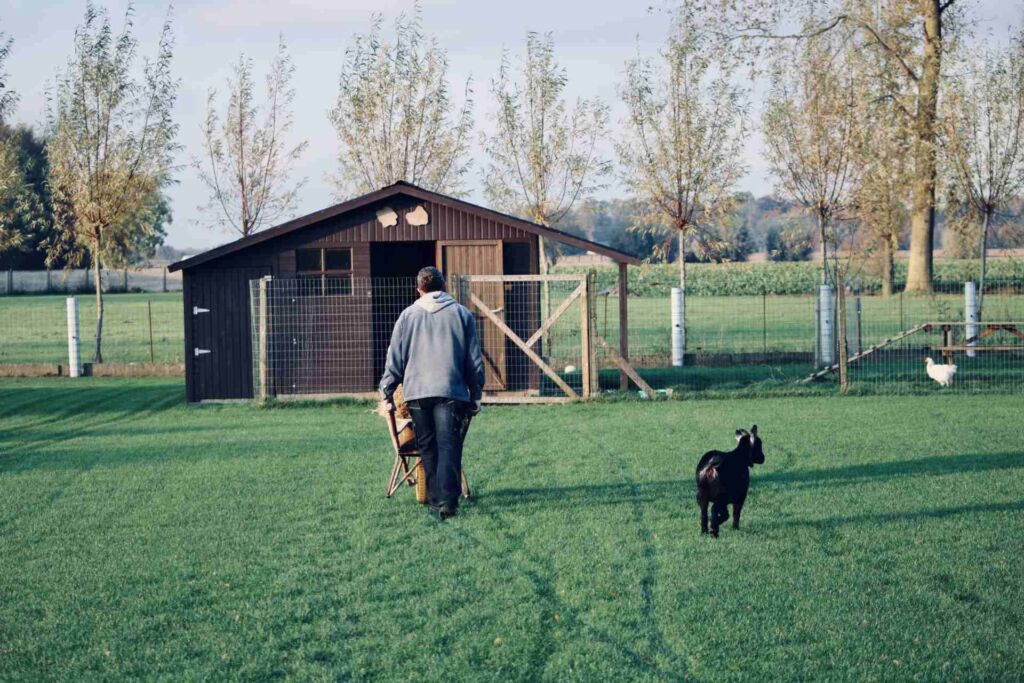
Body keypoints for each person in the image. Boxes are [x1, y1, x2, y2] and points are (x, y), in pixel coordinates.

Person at [379, 266, 485, 519]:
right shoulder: (462, 314)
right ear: (445, 286)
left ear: (419, 289)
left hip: (417, 392)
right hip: (452, 390)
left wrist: (387, 390)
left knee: (427, 447)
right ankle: (448, 502)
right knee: (449, 445)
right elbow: (474, 360)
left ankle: (435, 502)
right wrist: (476, 393)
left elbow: (395, 358)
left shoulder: (407, 316)